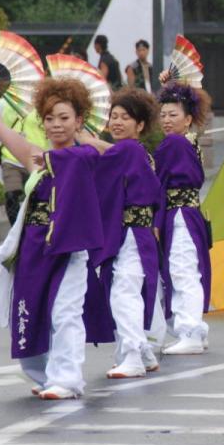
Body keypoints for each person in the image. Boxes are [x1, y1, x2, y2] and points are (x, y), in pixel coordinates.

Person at [0, 71, 109, 400]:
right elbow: (1, 128)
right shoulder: (38, 158)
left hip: (70, 250)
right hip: (33, 249)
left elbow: (119, 154)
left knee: (66, 313)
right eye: (49, 118)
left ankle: (68, 378)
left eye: (64, 117)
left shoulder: (88, 156)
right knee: (29, 313)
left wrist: (91, 137)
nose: (55, 125)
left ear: (79, 120)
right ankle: (44, 372)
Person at [80, 89, 164, 378]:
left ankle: (133, 356)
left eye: (125, 118)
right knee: (127, 292)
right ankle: (143, 352)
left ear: (139, 125)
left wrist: (85, 141)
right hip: (135, 234)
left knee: (123, 293)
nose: (116, 122)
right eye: (113, 116)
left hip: (132, 235)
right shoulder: (134, 151)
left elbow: (104, 161)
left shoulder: (128, 150)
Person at [152, 79, 213, 355]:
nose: (166, 120)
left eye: (173, 115)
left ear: (188, 119)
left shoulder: (173, 144)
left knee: (182, 271)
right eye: (163, 114)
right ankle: (193, 330)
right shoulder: (187, 141)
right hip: (189, 214)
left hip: (178, 215)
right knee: (187, 271)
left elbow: (158, 183)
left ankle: (190, 330)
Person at [0, 103, 46, 224]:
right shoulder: (5, 102)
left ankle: (37, 229)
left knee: (38, 196)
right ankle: (16, 231)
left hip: (38, 160)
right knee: (11, 195)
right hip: (11, 159)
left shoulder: (44, 102)